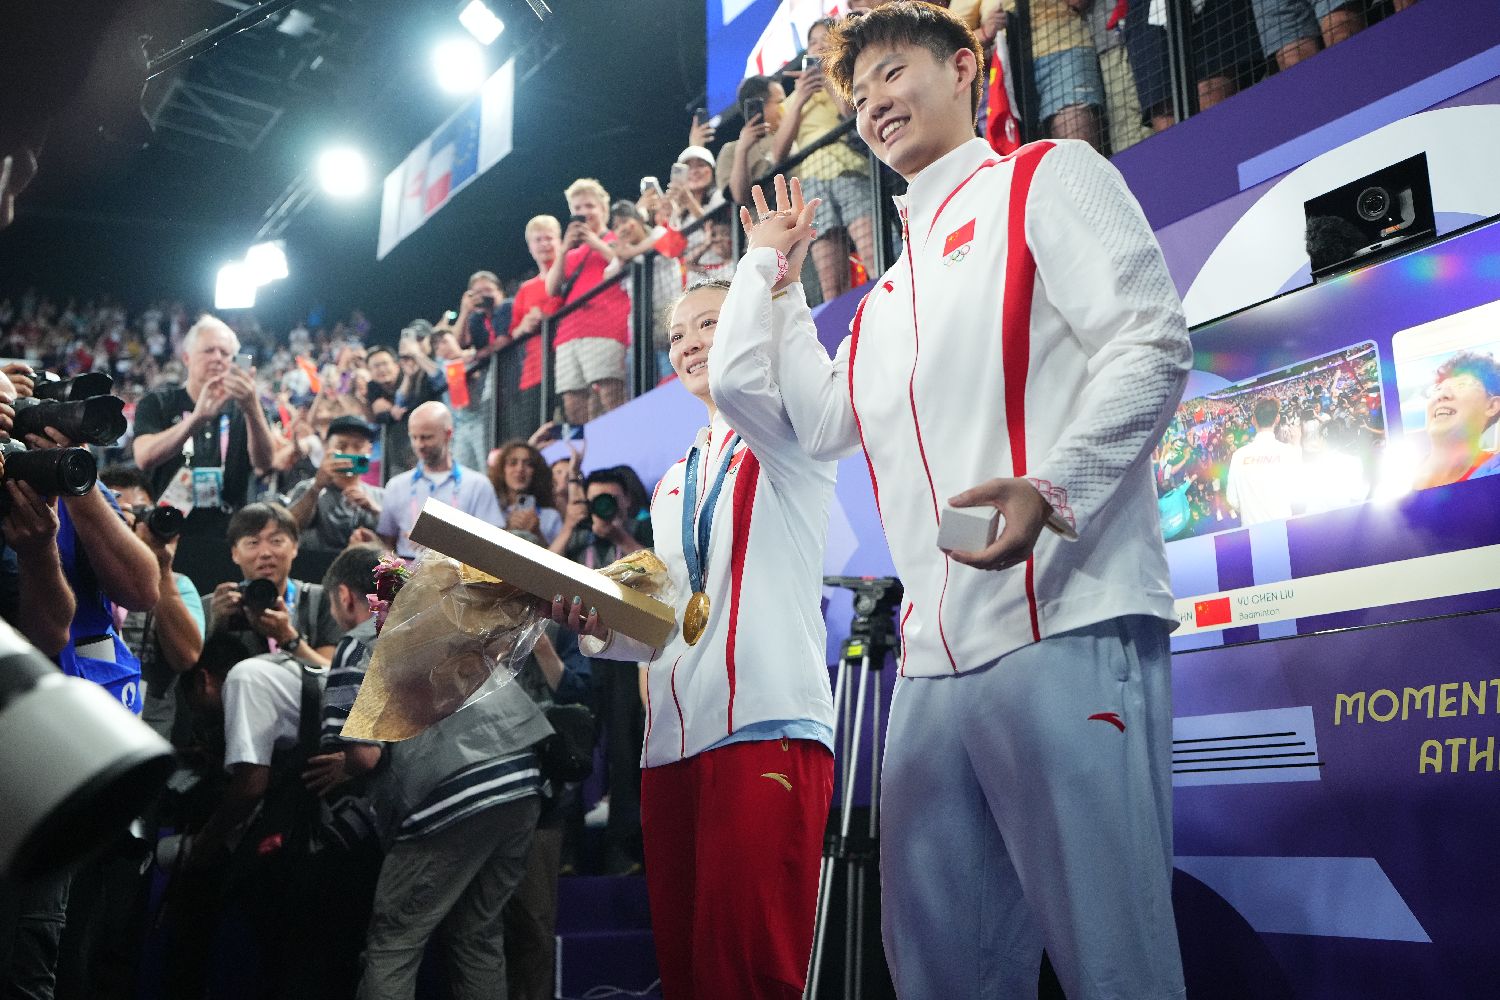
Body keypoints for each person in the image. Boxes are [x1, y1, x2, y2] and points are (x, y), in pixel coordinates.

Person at [753, 4, 1192, 996]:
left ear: (963, 68)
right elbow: (820, 421)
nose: (873, 103)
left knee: (1114, 963)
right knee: (938, 971)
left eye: (892, 73)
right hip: (932, 659)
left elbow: (1152, 343)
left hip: (1064, 617)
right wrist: (777, 286)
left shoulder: (1047, 176)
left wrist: (1053, 487)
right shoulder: (886, 296)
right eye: (858, 95)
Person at [550, 273, 837, 997]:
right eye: (677, 335)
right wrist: (599, 626)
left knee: (748, 971)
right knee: (687, 972)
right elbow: (670, 618)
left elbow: (744, 381)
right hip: (674, 744)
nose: (688, 345)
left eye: (710, 324)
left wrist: (766, 272)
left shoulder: (789, 430)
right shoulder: (674, 478)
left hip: (765, 726)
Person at [773, 17, 877, 301]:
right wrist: (801, 97)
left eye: (825, 41)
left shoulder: (846, 80)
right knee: (832, 282)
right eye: (812, 42)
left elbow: (849, 113)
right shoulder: (790, 102)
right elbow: (778, 153)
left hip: (850, 171)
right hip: (813, 185)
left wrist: (830, 76)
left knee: (873, 257)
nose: (818, 46)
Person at [131, 314, 278, 514]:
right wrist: (197, 418)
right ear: (187, 358)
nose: (217, 357)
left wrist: (252, 408)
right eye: (209, 350)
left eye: (225, 353)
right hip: (168, 525)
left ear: (234, 362)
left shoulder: (247, 407)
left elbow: (265, 464)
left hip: (231, 525)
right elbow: (143, 457)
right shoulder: (157, 402)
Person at [101, 466, 206, 743]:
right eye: (120, 513)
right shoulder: (78, 575)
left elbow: (186, 657)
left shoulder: (179, 585)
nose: (134, 523)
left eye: (142, 513)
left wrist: (161, 570)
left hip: (147, 737)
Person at [204, 501, 344, 670]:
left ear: (295, 547)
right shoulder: (215, 606)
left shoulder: (322, 600)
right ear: (235, 553)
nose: (265, 553)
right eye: (253, 542)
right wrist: (216, 628)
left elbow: (330, 674)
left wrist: (289, 639)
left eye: (276, 541)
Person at [545, 179, 631, 424]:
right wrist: (563, 249)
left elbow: (622, 260)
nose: (584, 212)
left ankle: (624, 439)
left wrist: (593, 241)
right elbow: (551, 288)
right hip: (568, 335)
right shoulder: (572, 253)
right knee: (573, 404)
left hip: (605, 326)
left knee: (610, 394)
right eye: (577, 208)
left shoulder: (616, 237)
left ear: (603, 209)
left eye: (589, 206)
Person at [377, 401, 504, 559]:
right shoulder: (396, 486)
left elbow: (494, 545)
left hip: (460, 571)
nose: (419, 444)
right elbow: (386, 541)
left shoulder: (478, 485)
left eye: (426, 437)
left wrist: (444, 540)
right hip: (408, 569)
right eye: (414, 437)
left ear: (448, 434)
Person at [286, 415, 385, 551]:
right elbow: (287, 530)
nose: (350, 452)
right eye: (341, 446)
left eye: (357, 446)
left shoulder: (381, 497)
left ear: (369, 450)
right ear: (327, 448)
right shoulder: (307, 489)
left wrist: (375, 510)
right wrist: (316, 487)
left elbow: (398, 545)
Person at [507, 217, 567, 430]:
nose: (544, 244)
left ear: (560, 241)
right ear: (530, 247)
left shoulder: (569, 272)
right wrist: (524, 326)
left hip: (564, 360)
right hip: (533, 373)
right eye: (538, 240)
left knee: (572, 424)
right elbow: (513, 334)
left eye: (549, 238)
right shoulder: (525, 289)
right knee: (535, 433)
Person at [1412, 350, 1500, 490]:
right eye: (1437, 389)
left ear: (1492, 406)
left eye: (1462, 385)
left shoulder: (1494, 475)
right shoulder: (1395, 477)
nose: (1442, 394)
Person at [1225, 396, 1304, 525]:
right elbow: (1298, 492)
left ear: (1253, 420)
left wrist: (1249, 510)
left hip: (1252, 528)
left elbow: (1232, 499)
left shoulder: (1238, 456)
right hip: (1283, 526)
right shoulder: (1289, 452)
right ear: (1277, 419)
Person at [489, 439, 563, 545]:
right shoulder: (491, 510)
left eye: (528, 464)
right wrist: (507, 529)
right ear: (502, 470)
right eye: (513, 463)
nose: (520, 469)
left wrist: (537, 533)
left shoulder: (551, 517)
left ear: (536, 471)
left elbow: (557, 554)